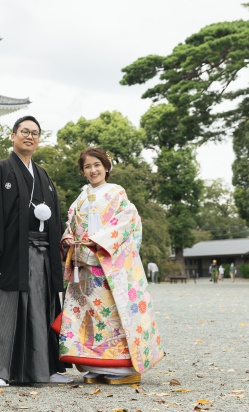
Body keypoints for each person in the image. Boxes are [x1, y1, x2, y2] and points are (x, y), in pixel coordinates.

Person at [0, 115, 70, 387]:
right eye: (25, 131)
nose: (30, 136)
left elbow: (54, 215)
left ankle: (46, 369)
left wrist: (59, 247)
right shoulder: (2, 169)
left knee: (45, 307)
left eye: (35, 133)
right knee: (9, 306)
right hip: (14, 251)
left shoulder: (43, 175)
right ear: (13, 136)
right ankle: (0, 371)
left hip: (44, 253)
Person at [57, 147, 164, 385]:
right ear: (83, 171)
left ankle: (122, 369)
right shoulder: (80, 197)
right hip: (84, 265)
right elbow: (70, 225)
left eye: (97, 165)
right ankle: (93, 366)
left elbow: (126, 222)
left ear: (106, 167)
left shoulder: (117, 193)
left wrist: (97, 241)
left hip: (108, 265)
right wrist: (68, 240)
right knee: (89, 317)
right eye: (87, 166)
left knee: (112, 316)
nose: (93, 170)